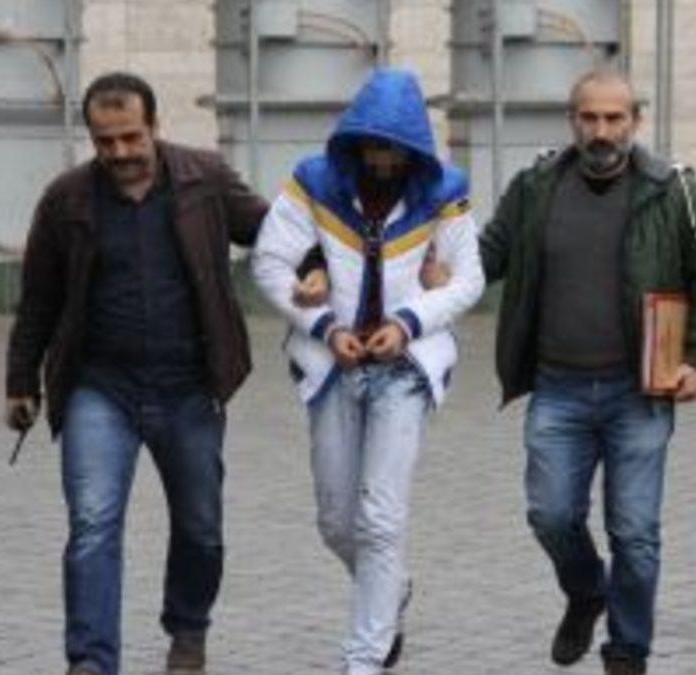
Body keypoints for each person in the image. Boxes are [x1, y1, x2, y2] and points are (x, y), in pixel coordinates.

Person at [296, 69, 696, 675]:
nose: (601, 130)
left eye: (614, 118)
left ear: (635, 121)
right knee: (551, 515)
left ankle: (627, 651)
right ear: (572, 120)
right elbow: (487, 254)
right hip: (558, 387)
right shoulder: (537, 186)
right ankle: (586, 591)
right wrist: (440, 273)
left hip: (638, 391)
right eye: (589, 117)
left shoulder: (673, 189)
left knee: (635, 532)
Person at [3, 71, 268, 675]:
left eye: (130, 137)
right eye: (105, 141)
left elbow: (274, 232)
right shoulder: (67, 199)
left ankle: (188, 631)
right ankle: (91, 660)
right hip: (100, 389)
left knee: (201, 527)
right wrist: (21, 381)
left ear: (155, 126)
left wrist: (320, 267)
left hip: (189, 388)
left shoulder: (204, 180)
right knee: (93, 524)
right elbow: (38, 298)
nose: (120, 152)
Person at [251, 68, 485, 675]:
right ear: (353, 141)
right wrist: (324, 326)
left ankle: (365, 657)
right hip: (332, 366)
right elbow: (270, 262)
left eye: (395, 148)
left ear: (414, 148)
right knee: (337, 522)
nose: (383, 160)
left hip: (405, 369)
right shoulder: (314, 182)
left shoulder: (444, 190)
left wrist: (408, 322)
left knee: (380, 518)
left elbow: (468, 279)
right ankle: (390, 589)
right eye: (372, 146)